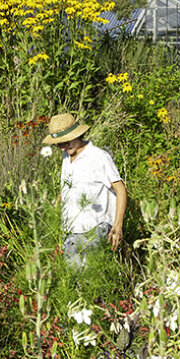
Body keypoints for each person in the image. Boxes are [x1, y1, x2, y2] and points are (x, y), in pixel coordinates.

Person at [42, 112, 127, 269]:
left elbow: (120, 189)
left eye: (66, 142)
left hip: (95, 228)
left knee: (89, 278)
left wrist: (118, 226)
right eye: (59, 144)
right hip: (72, 230)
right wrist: (58, 203)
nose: (63, 147)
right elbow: (70, 184)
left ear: (78, 135)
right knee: (76, 282)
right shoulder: (67, 156)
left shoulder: (99, 157)